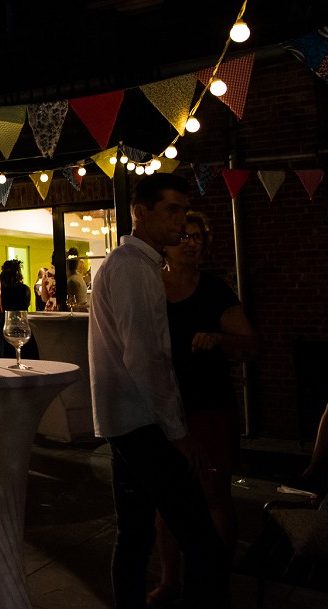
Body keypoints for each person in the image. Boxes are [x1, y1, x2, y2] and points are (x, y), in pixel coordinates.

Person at [88, 173, 229, 609]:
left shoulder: (135, 265)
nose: (181, 221)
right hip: (144, 421)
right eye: (171, 210)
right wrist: (178, 431)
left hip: (127, 418)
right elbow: (145, 357)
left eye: (184, 211)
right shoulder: (132, 267)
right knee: (199, 538)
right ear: (140, 213)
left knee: (134, 532)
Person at [147, 211, 258, 607]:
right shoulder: (151, 288)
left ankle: (216, 575)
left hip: (210, 404)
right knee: (168, 497)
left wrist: (219, 338)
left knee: (213, 494)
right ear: (166, 243)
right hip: (165, 405)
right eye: (182, 236)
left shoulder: (214, 290)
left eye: (197, 236)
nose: (190, 242)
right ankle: (169, 580)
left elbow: (249, 344)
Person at [0, 259, 35, 359]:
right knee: (26, 357)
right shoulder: (25, 289)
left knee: (5, 358)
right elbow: (27, 304)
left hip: (5, 327)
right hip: (21, 328)